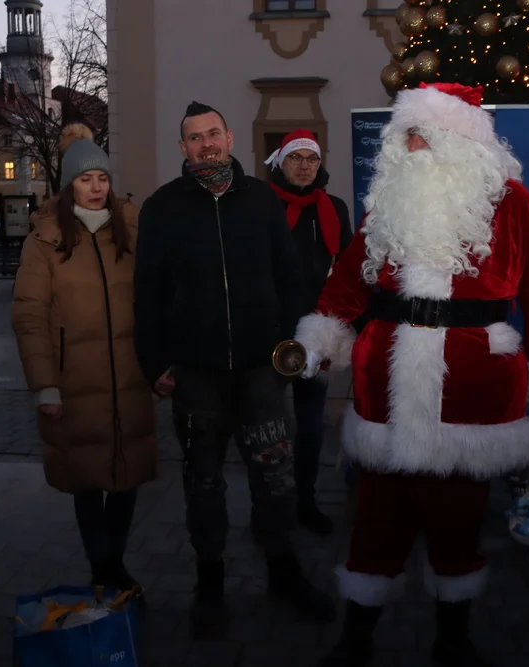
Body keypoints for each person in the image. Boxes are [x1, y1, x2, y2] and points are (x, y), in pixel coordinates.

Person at [297, 82, 529, 667]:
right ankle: (357, 637)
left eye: (425, 133)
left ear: (464, 141)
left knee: (459, 522)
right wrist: (319, 338)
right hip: (388, 385)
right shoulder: (386, 204)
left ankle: (453, 639)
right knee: (376, 518)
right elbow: (348, 283)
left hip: (471, 389)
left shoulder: (514, 204)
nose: (414, 145)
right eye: (407, 135)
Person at [133, 102, 334, 636]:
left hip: (259, 371)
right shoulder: (162, 207)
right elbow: (147, 294)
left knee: (275, 479)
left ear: (229, 138)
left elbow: (288, 276)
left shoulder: (261, 200)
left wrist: (297, 345)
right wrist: (154, 362)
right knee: (203, 485)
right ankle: (210, 584)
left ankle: (283, 574)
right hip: (196, 374)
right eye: (194, 138)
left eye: (213, 134)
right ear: (183, 148)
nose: (206, 144)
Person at [12, 124, 158, 596]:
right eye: (85, 179)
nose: (96, 188)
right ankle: (102, 567)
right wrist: (45, 385)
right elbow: (30, 317)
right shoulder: (46, 241)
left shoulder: (131, 233)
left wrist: (160, 366)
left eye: (102, 178)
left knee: (126, 477)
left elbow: (155, 304)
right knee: (87, 482)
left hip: (130, 381)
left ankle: (115, 563)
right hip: (74, 385)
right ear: (69, 185)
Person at [265, 129, 353, 535]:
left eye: (311, 159)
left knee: (312, 425)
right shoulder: (262, 205)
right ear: (281, 162)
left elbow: (349, 269)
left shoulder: (333, 207)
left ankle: (305, 499)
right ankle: (266, 505)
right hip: (270, 332)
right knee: (267, 426)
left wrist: (340, 326)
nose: (304, 165)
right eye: (295, 158)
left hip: (315, 337)